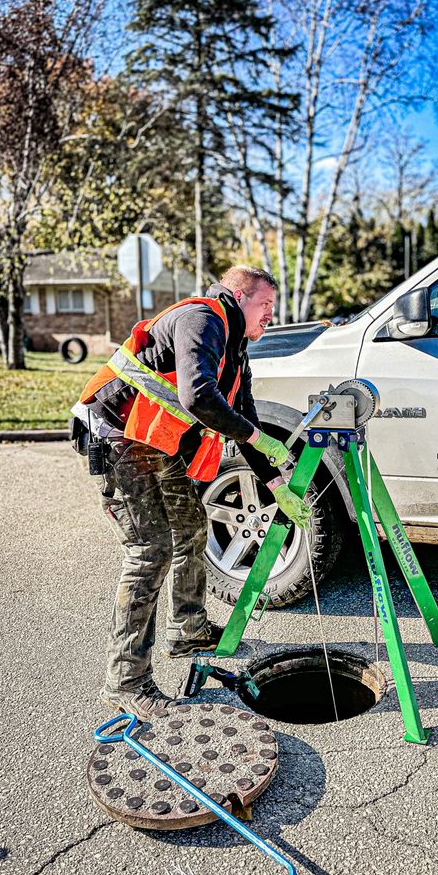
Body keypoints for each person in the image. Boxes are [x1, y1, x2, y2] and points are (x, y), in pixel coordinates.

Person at [71, 265, 311, 720]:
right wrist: (261, 442)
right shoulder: (202, 320)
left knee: (190, 527)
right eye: (266, 306)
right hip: (113, 436)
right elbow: (197, 395)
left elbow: (246, 422)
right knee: (150, 549)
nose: (271, 317)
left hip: (148, 442)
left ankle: (187, 629)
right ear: (240, 297)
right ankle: (125, 681)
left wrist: (276, 484)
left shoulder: (235, 348)